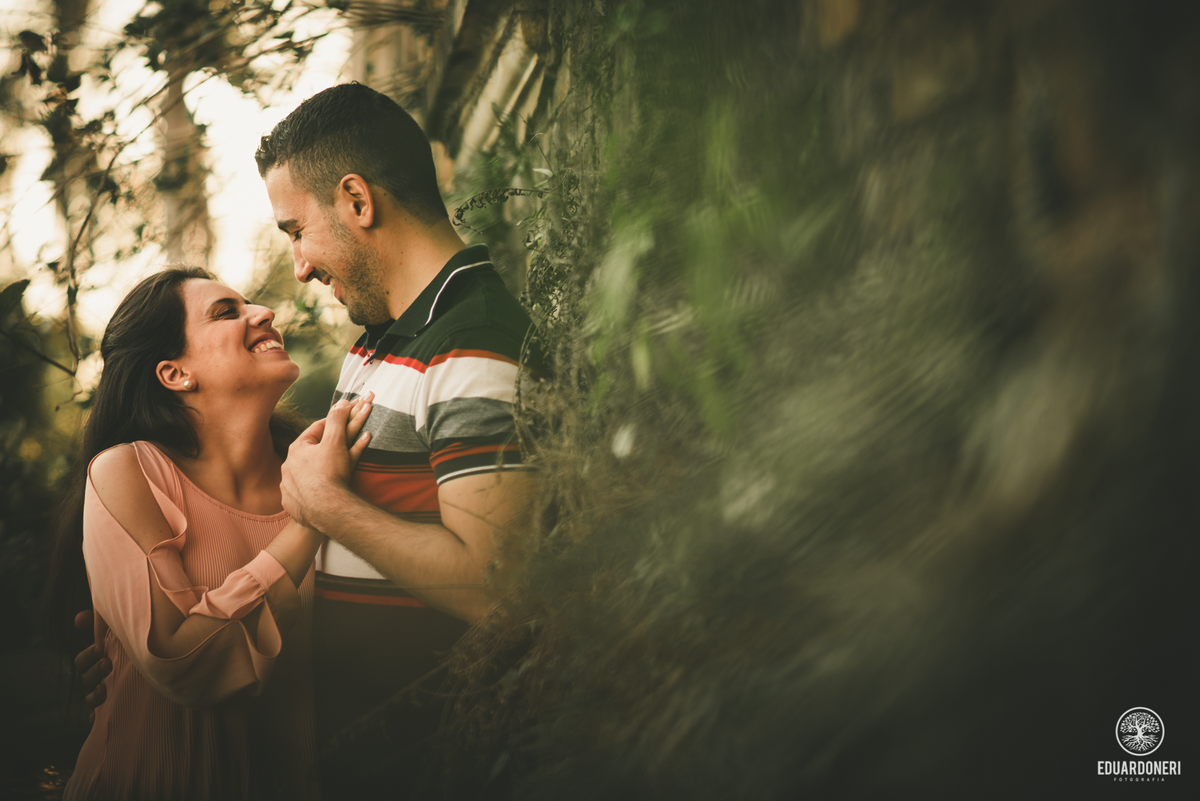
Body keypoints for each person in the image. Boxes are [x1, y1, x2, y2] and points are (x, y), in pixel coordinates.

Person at [255, 82, 543, 797]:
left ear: (357, 200)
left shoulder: (471, 341)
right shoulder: (378, 340)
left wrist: (328, 506)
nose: (299, 264)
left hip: (435, 769)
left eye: (296, 230)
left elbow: (502, 588)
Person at [59, 266, 371, 800]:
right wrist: (314, 515)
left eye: (251, 304)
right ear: (175, 373)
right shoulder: (130, 472)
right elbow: (183, 663)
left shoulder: (327, 463)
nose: (265, 312)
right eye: (227, 312)